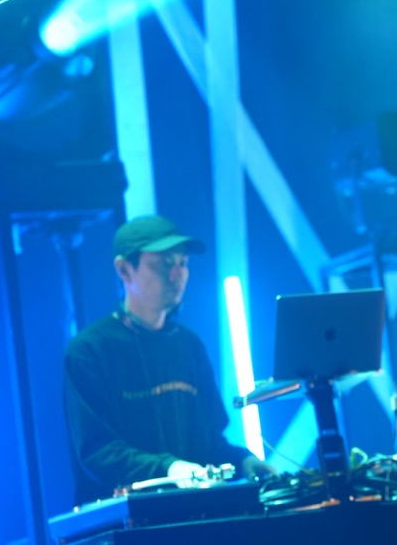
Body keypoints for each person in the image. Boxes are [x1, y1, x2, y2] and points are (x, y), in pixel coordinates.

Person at [64, 214, 275, 505]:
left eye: (183, 263)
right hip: (126, 520)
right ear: (124, 269)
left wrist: (242, 460)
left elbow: (209, 442)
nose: (177, 274)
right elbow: (99, 453)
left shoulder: (190, 345)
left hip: (195, 512)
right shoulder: (90, 350)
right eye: (164, 264)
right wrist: (169, 468)